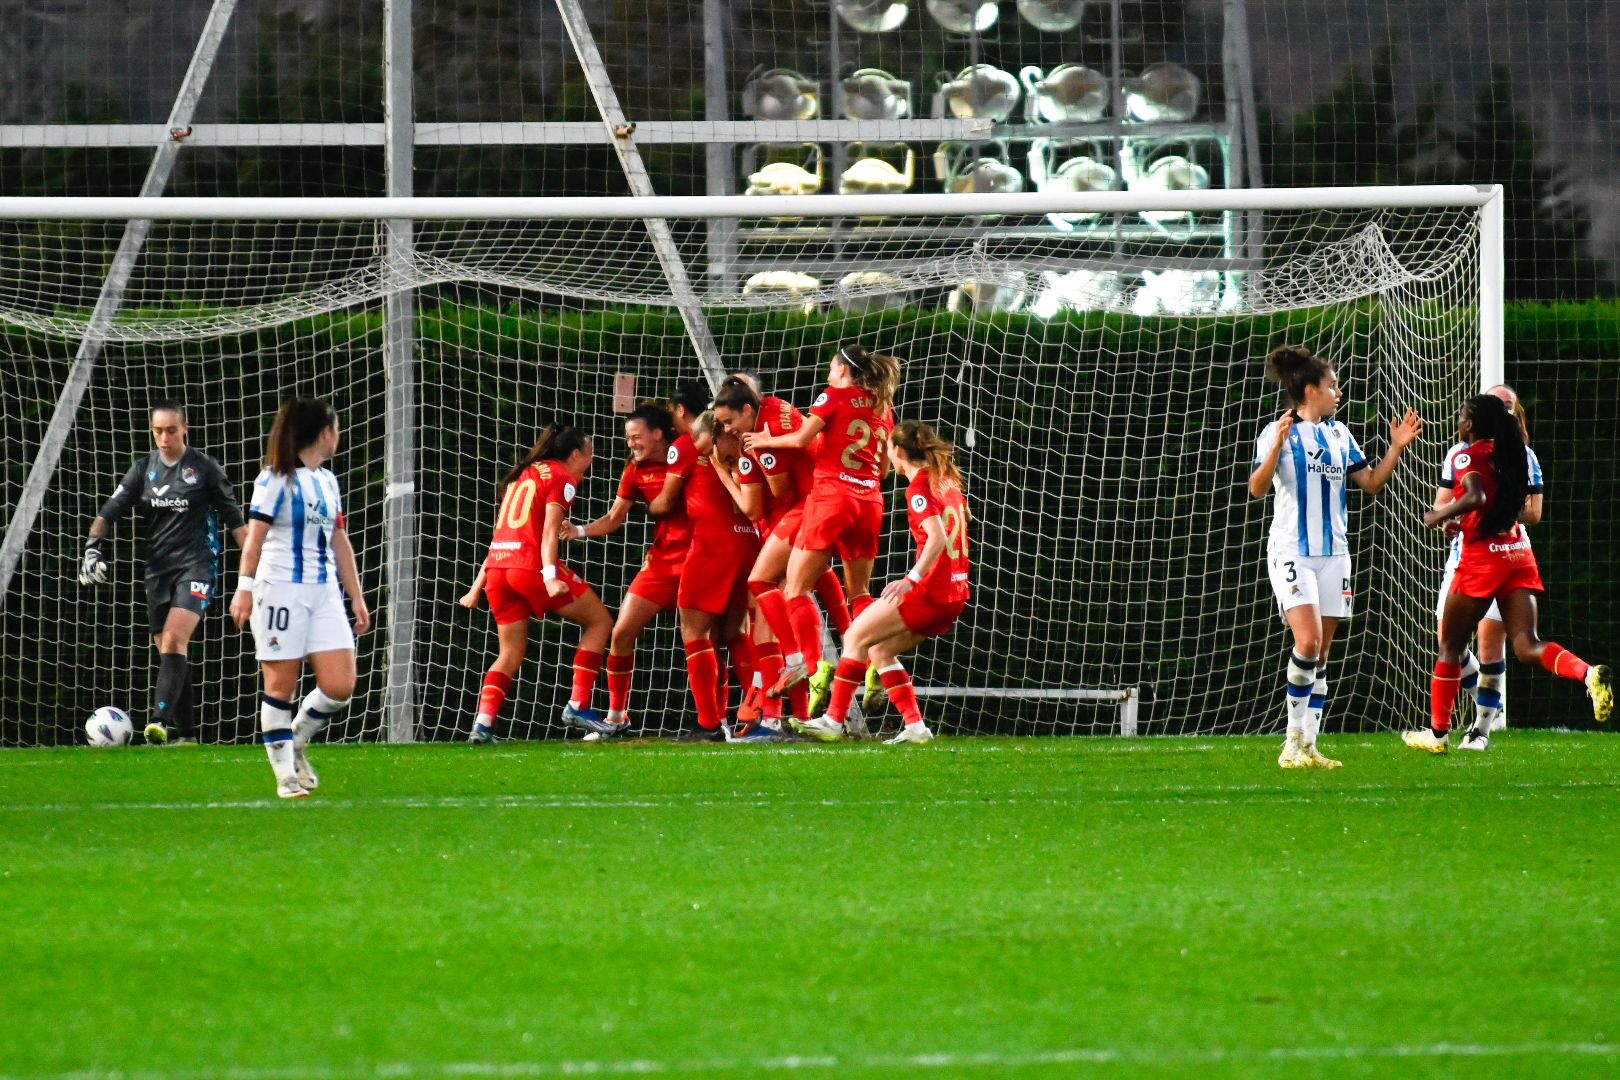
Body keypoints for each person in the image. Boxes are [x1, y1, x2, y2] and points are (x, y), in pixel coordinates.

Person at [1247, 345, 1423, 769]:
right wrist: (1277, 448)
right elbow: (1256, 488)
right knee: (1306, 642)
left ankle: (1310, 746)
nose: (1338, 392)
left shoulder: (1340, 434)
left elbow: (1371, 483)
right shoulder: (1277, 431)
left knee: (1321, 654)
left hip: (1335, 554)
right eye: (1332, 385)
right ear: (1311, 390)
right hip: (1293, 550)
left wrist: (1396, 447)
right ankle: (1291, 742)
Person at [1405, 394, 1611, 752]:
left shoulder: (1468, 454)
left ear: (1470, 424)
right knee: (1527, 644)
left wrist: (1438, 515)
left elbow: (1477, 497)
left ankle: (1438, 735)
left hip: (1482, 560)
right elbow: (1503, 506)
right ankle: (1587, 673)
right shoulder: (1514, 453)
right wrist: (1464, 522)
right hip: (1516, 552)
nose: (1458, 421)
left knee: (1450, 646)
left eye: (1461, 416)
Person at [741, 344, 902, 714]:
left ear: (843, 370)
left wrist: (764, 440)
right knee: (859, 593)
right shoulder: (883, 408)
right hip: (870, 502)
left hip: (832, 499)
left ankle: (815, 668)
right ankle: (875, 661)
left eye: (831, 367)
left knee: (796, 588)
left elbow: (800, 438)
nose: (828, 374)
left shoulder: (833, 395)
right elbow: (883, 470)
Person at [81, 400, 247, 744]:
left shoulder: (204, 468)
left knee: (173, 638)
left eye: (172, 430)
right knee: (170, 649)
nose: (165, 438)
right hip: (157, 570)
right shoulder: (144, 469)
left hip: (198, 564)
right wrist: (92, 548)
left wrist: (255, 574)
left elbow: (236, 523)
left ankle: (158, 722)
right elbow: (107, 513)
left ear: (185, 429)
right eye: (158, 431)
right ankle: (186, 736)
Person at [229, 399, 369, 799]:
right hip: (280, 590)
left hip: (323, 592)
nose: (339, 436)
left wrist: (356, 597)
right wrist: (244, 587)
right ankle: (285, 777)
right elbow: (254, 538)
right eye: (336, 429)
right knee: (280, 686)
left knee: (341, 685)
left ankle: (298, 738)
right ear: (325, 433)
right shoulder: (275, 479)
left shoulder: (328, 481)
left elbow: (339, 541)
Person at [797, 420, 969, 744]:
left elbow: (937, 537)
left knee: (855, 636)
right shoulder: (946, 481)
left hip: (931, 591)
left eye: (888, 448)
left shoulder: (918, 488)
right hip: (956, 592)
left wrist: (911, 579)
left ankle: (833, 720)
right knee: (880, 649)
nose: (885, 454)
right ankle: (916, 727)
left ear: (899, 451)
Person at [460, 422, 616, 742]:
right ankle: (578, 705)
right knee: (600, 621)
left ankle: (482, 725)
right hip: (529, 568)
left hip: (499, 570)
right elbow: (548, 532)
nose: (592, 461)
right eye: (590, 454)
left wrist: (477, 587)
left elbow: (501, 536)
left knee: (510, 652)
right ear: (575, 455)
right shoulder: (562, 477)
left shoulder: (523, 474)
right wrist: (550, 577)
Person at [560, 401, 690, 734]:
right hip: (661, 562)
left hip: (701, 559)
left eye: (636, 436)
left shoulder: (689, 453)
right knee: (620, 633)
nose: (631, 444)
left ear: (658, 434)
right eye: (628, 438)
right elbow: (614, 517)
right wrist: (579, 530)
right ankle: (617, 717)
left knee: (712, 639)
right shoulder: (635, 470)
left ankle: (732, 719)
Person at [1431, 384, 1543, 750]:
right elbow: (1445, 501)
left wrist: (1490, 509)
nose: (1504, 409)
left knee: (1490, 643)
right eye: (1498, 404)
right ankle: (1485, 706)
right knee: (1448, 642)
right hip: (1464, 557)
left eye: (1509, 404)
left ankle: (1479, 730)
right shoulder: (1458, 454)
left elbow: (1534, 512)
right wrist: (1452, 518)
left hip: (1505, 554)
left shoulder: (1524, 455)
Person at [712, 375, 818, 725]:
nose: (728, 431)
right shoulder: (773, 409)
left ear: (747, 408)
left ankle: (794, 677)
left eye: (728, 423)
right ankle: (800, 712)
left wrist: (728, 472)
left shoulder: (757, 446)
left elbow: (766, 502)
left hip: (803, 510)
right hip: (818, 504)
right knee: (803, 597)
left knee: (764, 588)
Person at [660, 410, 772, 741]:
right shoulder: (750, 454)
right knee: (735, 632)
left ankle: (709, 723)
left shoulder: (696, 451)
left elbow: (666, 501)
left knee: (694, 632)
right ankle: (759, 715)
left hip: (712, 546)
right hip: (749, 545)